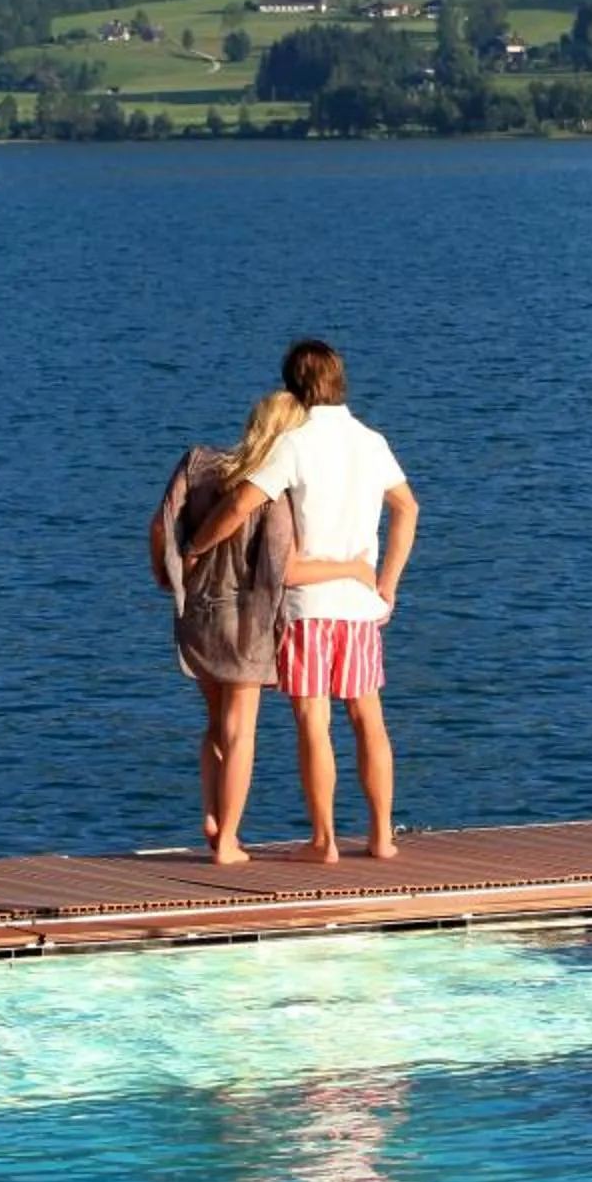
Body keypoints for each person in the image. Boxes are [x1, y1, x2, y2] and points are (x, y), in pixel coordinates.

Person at [181, 339, 417, 866]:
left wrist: (196, 547)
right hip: (359, 603)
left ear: (294, 386)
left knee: (314, 719)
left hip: (307, 603)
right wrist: (388, 582)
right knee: (368, 719)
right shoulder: (372, 442)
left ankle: (324, 840)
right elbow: (407, 507)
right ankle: (381, 835)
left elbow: (241, 504)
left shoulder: (296, 444)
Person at [149, 390, 375, 868]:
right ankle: (228, 840)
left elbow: (160, 526)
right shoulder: (274, 491)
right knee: (240, 730)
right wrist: (352, 568)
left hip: (198, 610)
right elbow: (282, 570)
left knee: (214, 723)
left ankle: (212, 815)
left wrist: (169, 574)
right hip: (246, 621)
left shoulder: (197, 463)